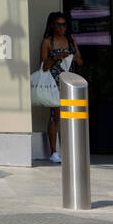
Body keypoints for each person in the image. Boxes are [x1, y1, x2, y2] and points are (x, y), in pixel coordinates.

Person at [40, 11, 82, 164]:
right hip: (54, 82)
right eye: (59, 24)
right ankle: (54, 151)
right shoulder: (47, 42)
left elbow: (80, 62)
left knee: (72, 116)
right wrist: (56, 57)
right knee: (55, 116)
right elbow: (43, 66)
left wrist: (73, 55)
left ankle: (73, 149)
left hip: (71, 82)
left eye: (64, 25)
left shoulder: (71, 40)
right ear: (52, 25)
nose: (62, 28)